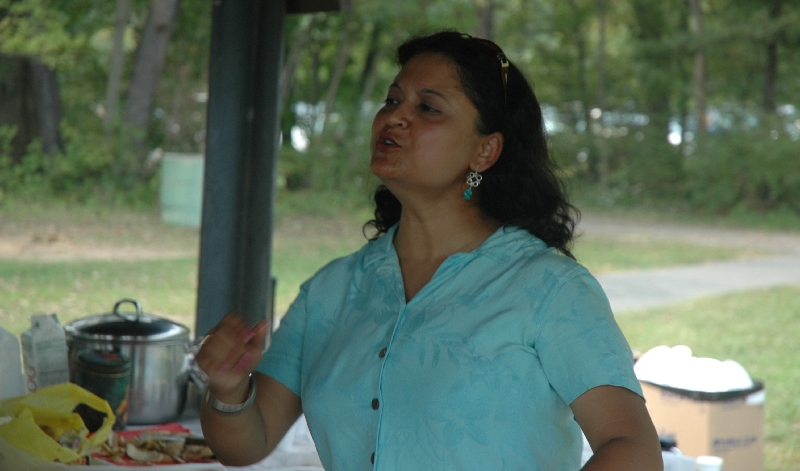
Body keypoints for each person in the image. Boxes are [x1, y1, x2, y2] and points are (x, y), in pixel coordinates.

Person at [197, 31, 663, 470]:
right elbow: (248, 441)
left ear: (484, 151)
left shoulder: (549, 289)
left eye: (428, 108)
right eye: (392, 100)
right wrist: (229, 388)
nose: (395, 117)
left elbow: (633, 448)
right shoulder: (332, 291)